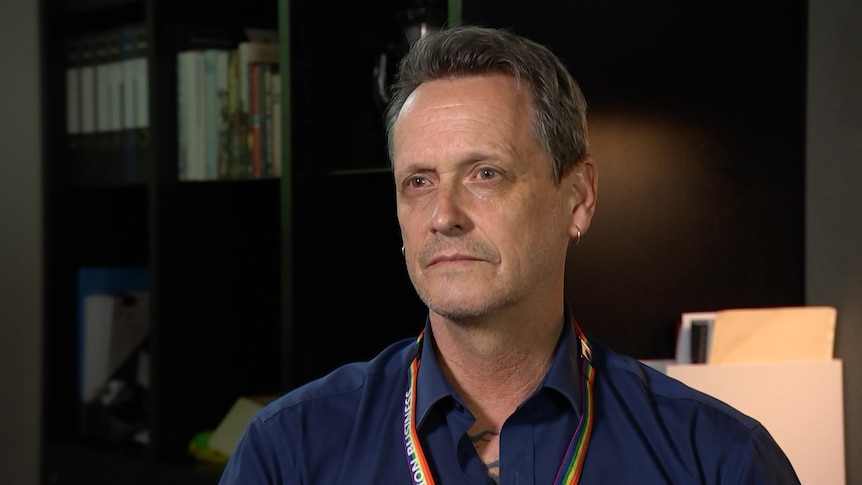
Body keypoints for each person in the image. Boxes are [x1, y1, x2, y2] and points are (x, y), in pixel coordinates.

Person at [220, 25, 800, 484]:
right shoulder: (287, 452)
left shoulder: (718, 459)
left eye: (485, 173)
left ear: (577, 199)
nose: (443, 215)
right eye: (418, 181)